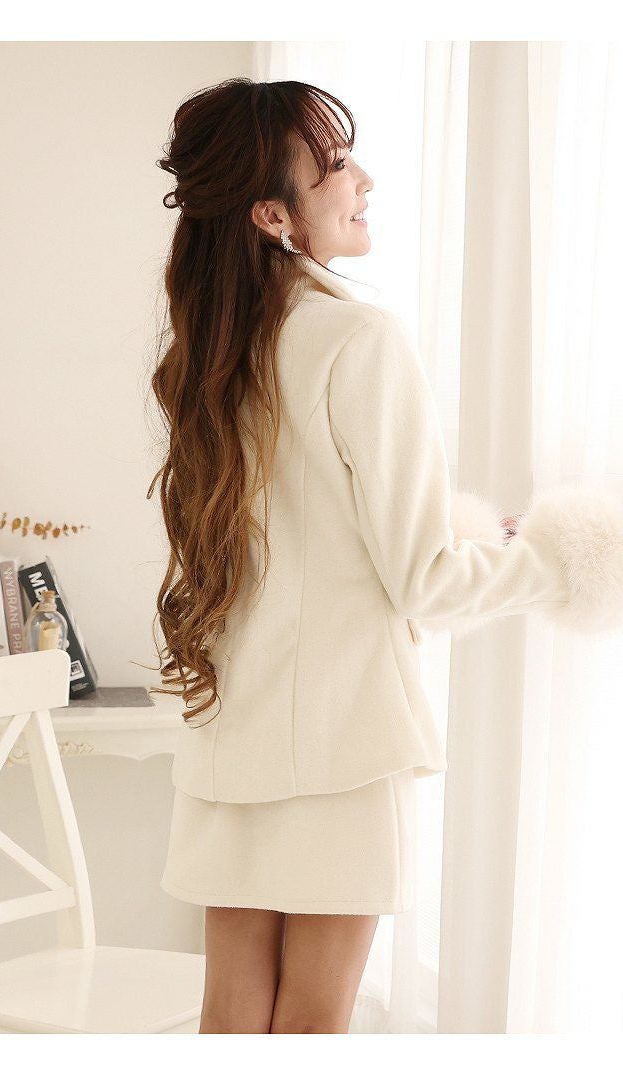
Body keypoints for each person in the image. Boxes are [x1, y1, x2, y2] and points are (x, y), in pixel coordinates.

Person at [146, 77, 623, 1034]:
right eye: (333, 165)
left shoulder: (212, 347)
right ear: (274, 214)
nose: (362, 178)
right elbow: (426, 580)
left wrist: (474, 536)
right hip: (343, 743)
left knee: (231, 1018)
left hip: (230, 732)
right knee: (314, 1024)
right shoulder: (358, 337)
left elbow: (298, 543)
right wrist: (576, 555)